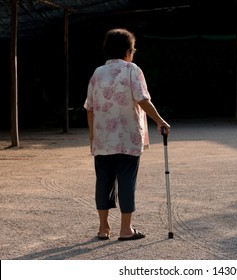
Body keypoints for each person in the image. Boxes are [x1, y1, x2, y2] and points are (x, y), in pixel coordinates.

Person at [84, 28, 170, 241]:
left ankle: (103, 228)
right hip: (128, 138)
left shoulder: (97, 73)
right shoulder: (132, 70)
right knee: (126, 181)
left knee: (103, 182)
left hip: (103, 140)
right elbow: (142, 99)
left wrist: (93, 137)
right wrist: (159, 120)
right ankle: (125, 229)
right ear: (128, 51)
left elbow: (90, 107)